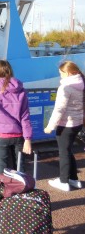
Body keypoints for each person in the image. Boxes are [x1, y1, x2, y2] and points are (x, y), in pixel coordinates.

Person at [0, 60, 32, 175]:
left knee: (1, 165)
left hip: (0, 135)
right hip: (19, 135)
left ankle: (1, 191)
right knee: (19, 165)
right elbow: (25, 117)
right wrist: (28, 139)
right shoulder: (21, 90)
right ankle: (20, 191)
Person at [44, 61, 84, 191]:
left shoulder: (66, 87)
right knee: (68, 150)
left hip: (66, 124)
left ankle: (63, 181)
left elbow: (59, 109)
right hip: (77, 123)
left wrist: (50, 126)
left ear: (67, 72)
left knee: (64, 152)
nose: (60, 76)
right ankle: (73, 179)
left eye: (61, 73)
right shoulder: (81, 84)